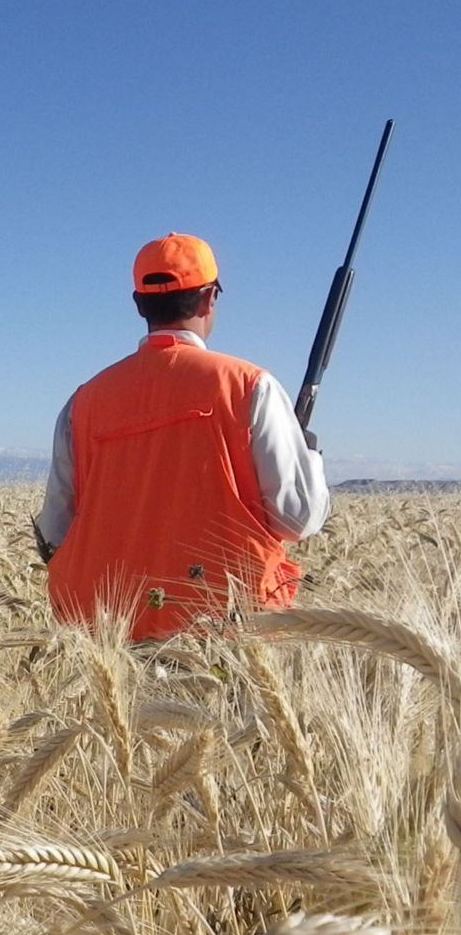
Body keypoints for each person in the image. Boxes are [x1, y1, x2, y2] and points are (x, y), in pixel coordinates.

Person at [36, 233, 329, 641]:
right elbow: (296, 517)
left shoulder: (83, 402)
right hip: (226, 638)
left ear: (139, 304)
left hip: (108, 636)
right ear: (210, 298)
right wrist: (308, 455)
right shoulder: (249, 385)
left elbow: (55, 532)